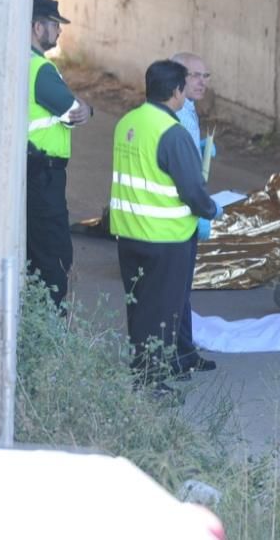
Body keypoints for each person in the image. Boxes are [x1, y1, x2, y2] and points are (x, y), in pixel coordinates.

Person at [109, 60, 221, 394]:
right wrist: (211, 209)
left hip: (128, 233)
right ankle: (152, 382)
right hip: (166, 238)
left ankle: (141, 371)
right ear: (176, 91)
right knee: (162, 311)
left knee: (140, 306)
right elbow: (192, 189)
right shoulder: (172, 133)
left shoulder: (127, 122)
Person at [27, 0, 93, 307]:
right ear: (37, 26)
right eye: (55, 25)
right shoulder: (41, 68)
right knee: (53, 258)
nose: (59, 32)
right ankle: (49, 334)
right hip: (43, 175)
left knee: (35, 254)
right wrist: (86, 108)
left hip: (31, 171)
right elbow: (71, 110)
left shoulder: (23, 62)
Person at [169, 52, 218, 376]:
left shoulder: (188, 111)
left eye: (205, 75)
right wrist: (206, 209)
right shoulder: (178, 116)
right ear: (178, 80)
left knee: (181, 290)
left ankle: (184, 351)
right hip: (177, 216)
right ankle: (175, 355)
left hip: (183, 215)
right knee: (174, 291)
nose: (202, 82)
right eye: (195, 75)